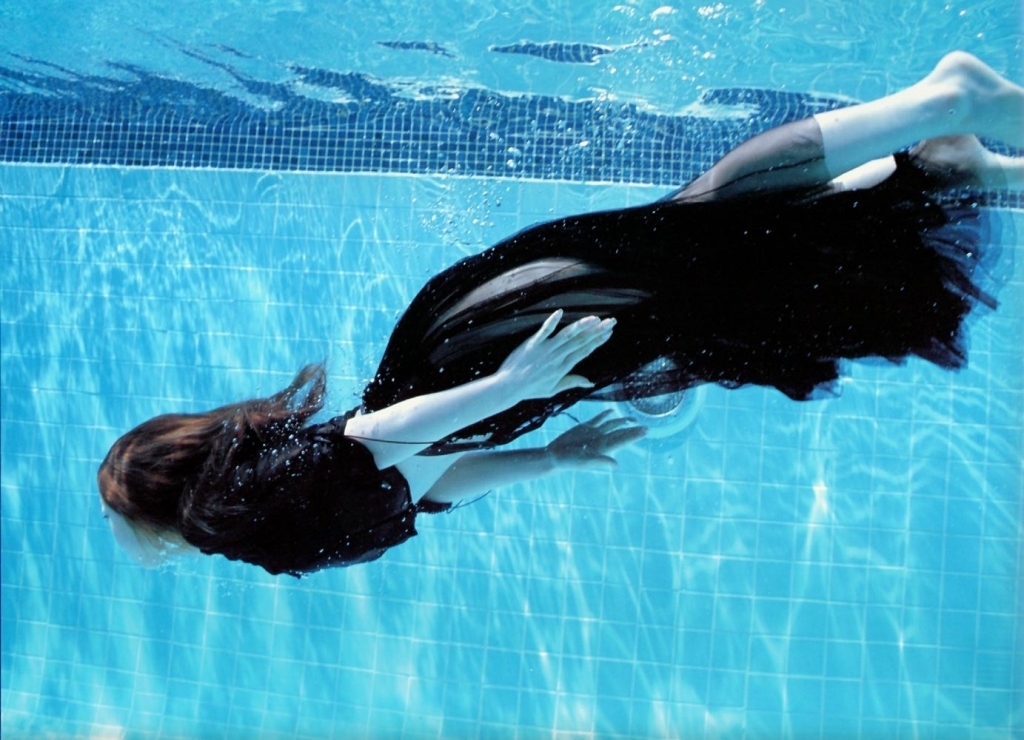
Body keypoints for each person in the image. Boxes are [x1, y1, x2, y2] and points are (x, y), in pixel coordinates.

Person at [99, 52, 1024, 576]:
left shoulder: (236, 516)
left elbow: (369, 443)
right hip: (475, 368)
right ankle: (942, 163)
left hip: (480, 358)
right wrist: (549, 454)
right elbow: (429, 488)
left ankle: (939, 105)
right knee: (711, 266)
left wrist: (510, 386)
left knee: (692, 247)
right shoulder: (255, 526)